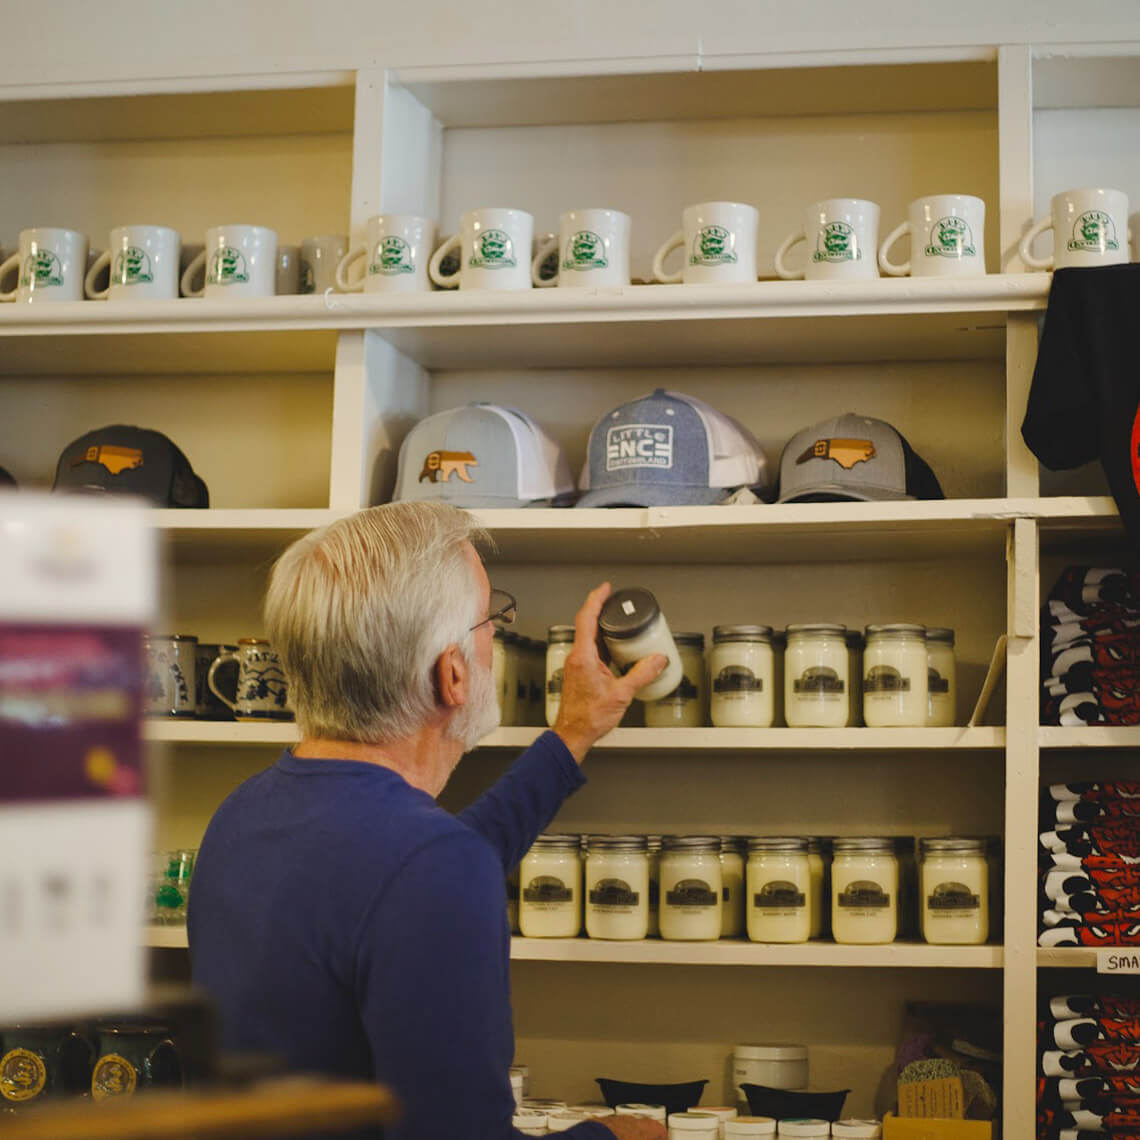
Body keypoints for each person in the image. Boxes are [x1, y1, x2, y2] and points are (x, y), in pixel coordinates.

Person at [188, 502, 668, 1139]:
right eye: (492, 618)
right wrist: (615, 1136)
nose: (498, 633)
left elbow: (404, 878)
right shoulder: (427, 866)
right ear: (453, 673)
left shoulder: (243, 815)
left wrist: (572, 733)